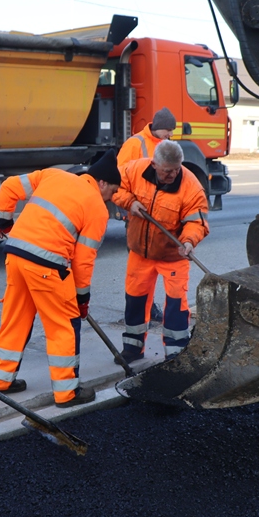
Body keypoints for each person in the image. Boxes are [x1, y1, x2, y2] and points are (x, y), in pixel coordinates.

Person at [0, 150, 121, 407]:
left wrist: (5, 224)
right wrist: (82, 299)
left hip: (14, 256)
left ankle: (1, 380)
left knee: (16, 319)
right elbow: (83, 261)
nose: (112, 198)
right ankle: (66, 392)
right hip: (46, 266)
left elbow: (8, 187)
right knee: (64, 326)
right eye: (113, 191)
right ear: (102, 182)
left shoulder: (53, 175)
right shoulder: (97, 208)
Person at [113, 139, 209, 362]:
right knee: (135, 299)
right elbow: (114, 185)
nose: (172, 175)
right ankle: (133, 348)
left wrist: (188, 241)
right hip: (140, 252)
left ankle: (175, 353)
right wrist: (129, 202)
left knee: (176, 304)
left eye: (176, 169)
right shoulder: (134, 169)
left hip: (173, 255)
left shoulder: (191, 186)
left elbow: (197, 223)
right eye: (167, 171)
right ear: (154, 165)